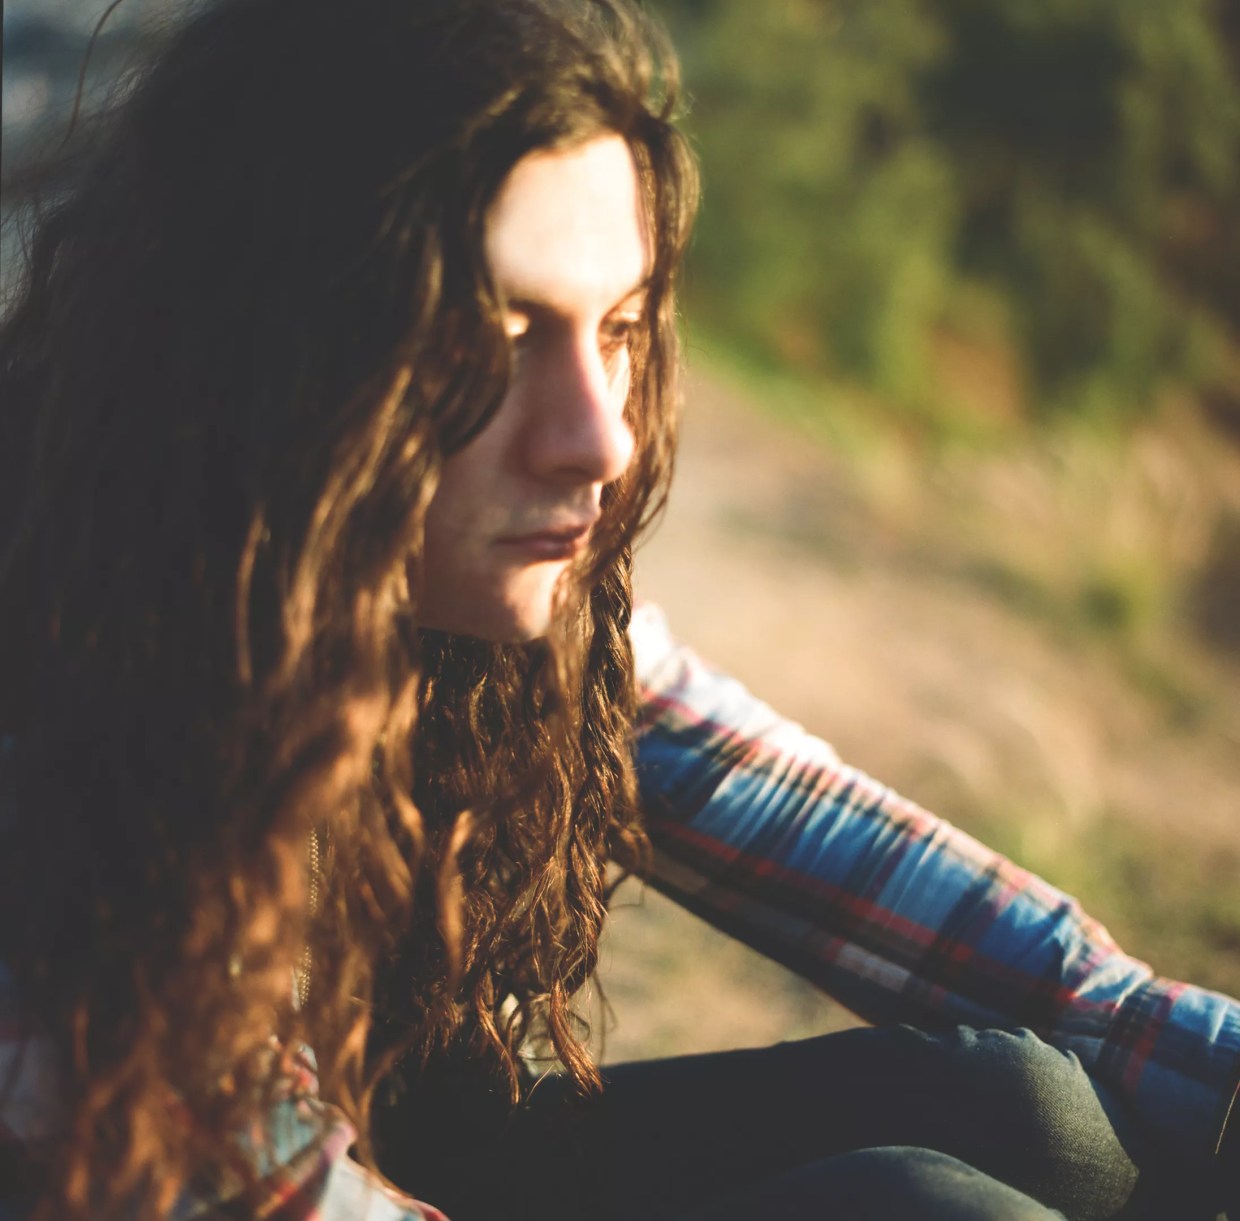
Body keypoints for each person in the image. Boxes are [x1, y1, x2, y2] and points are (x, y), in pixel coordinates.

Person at [0, 0, 1236, 1217]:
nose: (599, 438)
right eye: (495, 334)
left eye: (620, 331)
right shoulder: (61, 711)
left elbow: (809, 830)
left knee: (1036, 1110)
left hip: (393, 1153)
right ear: (266, 341)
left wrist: (1199, 1069)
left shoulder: (482, 606)